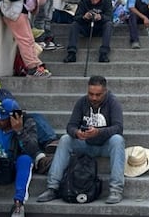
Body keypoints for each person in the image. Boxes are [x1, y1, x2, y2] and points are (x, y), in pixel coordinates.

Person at [36, 75, 127, 205]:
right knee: (66, 139)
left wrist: (98, 132)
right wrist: (76, 133)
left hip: (105, 146)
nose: (94, 98)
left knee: (118, 140)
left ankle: (116, 190)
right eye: (91, 94)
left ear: (105, 92)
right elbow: (70, 126)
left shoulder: (113, 103)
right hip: (86, 144)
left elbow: (118, 128)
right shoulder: (82, 102)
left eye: (98, 95)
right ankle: (53, 187)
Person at [0, 56, 58, 167]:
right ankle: (48, 143)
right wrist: (6, 114)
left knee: (24, 124)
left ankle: (40, 155)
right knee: (29, 120)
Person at [63, 0, 114, 64]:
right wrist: (84, 17)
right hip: (86, 27)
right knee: (74, 25)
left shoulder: (107, 1)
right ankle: (71, 53)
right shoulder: (83, 1)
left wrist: (101, 17)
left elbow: (110, 17)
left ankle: (104, 53)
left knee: (109, 25)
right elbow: (76, 17)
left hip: (100, 27)